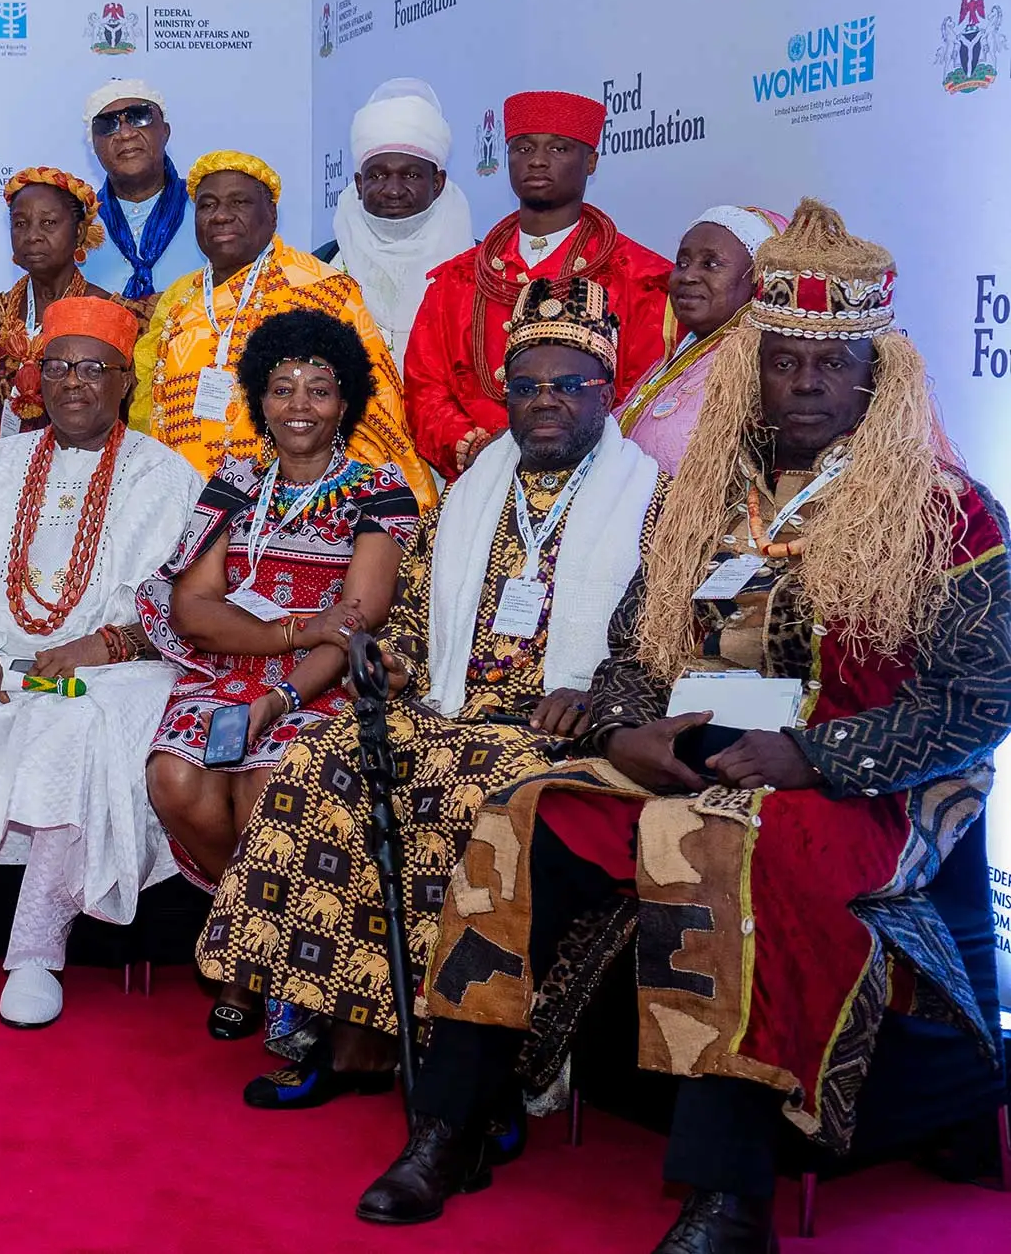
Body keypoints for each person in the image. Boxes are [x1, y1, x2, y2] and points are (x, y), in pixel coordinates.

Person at [377, 204, 1010, 1251]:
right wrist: (624, 731)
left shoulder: (950, 511)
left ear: (875, 374)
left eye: (828, 363)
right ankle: (454, 1118)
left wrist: (809, 754)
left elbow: (977, 703)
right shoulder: (701, 500)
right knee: (520, 817)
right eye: (780, 363)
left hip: (856, 781)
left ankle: (729, 1193)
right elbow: (636, 649)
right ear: (750, 371)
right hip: (690, 751)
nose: (802, 384)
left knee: (709, 841)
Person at [198, 277, 663, 1111]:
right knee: (318, 759)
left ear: (607, 391)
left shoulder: (652, 500)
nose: (544, 402)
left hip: (554, 731)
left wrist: (594, 694)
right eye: (525, 387)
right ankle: (345, 1029)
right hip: (446, 707)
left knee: (470, 792)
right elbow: (409, 617)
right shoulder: (470, 492)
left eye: (567, 385)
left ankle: (474, 1070)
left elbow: (657, 643)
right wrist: (395, 664)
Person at [0, 297, 202, 1028]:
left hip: (114, 671)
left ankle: (33, 953)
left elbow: (187, 609)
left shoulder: (167, 476)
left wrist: (105, 644)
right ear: (36, 377)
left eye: (94, 368)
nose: (74, 383)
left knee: (75, 723)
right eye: (56, 366)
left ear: (126, 379)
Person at [138, 310, 419, 902]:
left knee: (270, 783)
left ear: (345, 403)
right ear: (260, 402)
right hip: (225, 676)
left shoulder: (379, 491)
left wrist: (280, 696)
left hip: (324, 688)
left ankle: (249, 969)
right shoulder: (235, 484)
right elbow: (192, 611)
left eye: (319, 391)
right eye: (282, 389)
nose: (299, 406)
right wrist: (298, 628)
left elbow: (354, 624)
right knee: (174, 777)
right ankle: (243, 924)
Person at [131, 151, 432, 503]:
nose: (221, 216)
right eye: (207, 205)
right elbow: (147, 411)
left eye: (239, 202)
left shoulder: (321, 290)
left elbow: (372, 412)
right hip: (183, 504)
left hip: (291, 510)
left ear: (272, 214)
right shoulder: (181, 298)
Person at [403, 91, 671, 480]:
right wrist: (474, 446)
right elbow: (425, 389)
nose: (538, 160)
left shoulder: (639, 279)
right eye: (523, 147)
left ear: (591, 161)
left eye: (559, 148)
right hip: (476, 484)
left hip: (596, 487)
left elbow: (643, 396)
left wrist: (556, 450)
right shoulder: (457, 281)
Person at [0, 168, 123, 454]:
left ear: (79, 232)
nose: (32, 235)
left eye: (48, 223)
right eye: (20, 224)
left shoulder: (106, 313)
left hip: (83, 469)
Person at [315, 79, 476, 359]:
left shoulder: (480, 265)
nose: (393, 190)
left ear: (437, 183)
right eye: (377, 175)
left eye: (411, 175)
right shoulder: (322, 267)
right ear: (359, 184)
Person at [614, 205, 782, 473]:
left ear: (758, 280)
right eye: (682, 263)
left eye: (711, 264)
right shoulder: (676, 359)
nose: (688, 276)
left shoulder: (761, 373)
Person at [76, 78, 203, 314]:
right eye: (107, 124)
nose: (125, 133)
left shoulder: (207, 209)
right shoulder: (76, 223)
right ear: (93, 144)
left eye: (138, 116)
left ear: (165, 131)